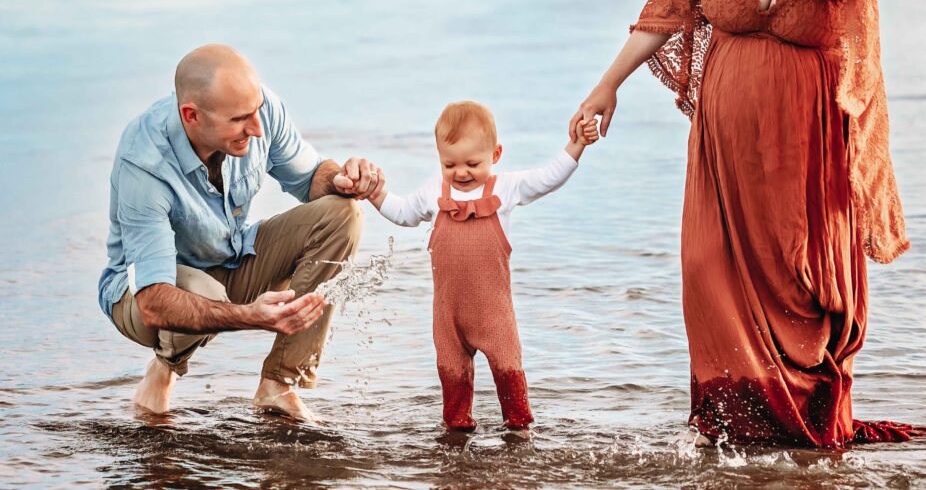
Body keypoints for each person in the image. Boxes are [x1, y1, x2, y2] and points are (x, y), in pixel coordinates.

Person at [570, 0, 926, 447]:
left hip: (805, 150)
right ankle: (735, 422)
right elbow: (667, 8)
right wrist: (607, 85)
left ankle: (791, 425)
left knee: (798, 283)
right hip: (723, 148)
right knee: (705, 268)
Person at [98, 44, 384, 422]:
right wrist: (251, 316)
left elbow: (311, 176)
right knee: (201, 290)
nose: (257, 127)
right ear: (191, 116)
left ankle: (279, 384)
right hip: (142, 296)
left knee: (342, 213)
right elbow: (152, 301)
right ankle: (164, 367)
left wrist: (343, 179)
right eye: (240, 120)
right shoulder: (145, 162)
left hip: (229, 258)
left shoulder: (259, 109)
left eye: (256, 111)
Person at [367, 101, 598, 432]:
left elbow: (548, 177)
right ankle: (456, 433)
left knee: (509, 375)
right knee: (452, 379)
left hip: (495, 316)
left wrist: (577, 145)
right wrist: (376, 195)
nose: (461, 172)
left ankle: (519, 433)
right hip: (448, 317)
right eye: (450, 164)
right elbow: (403, 213)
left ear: (496, 154)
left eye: (472, 163)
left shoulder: (506, 188)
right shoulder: (434, 191)